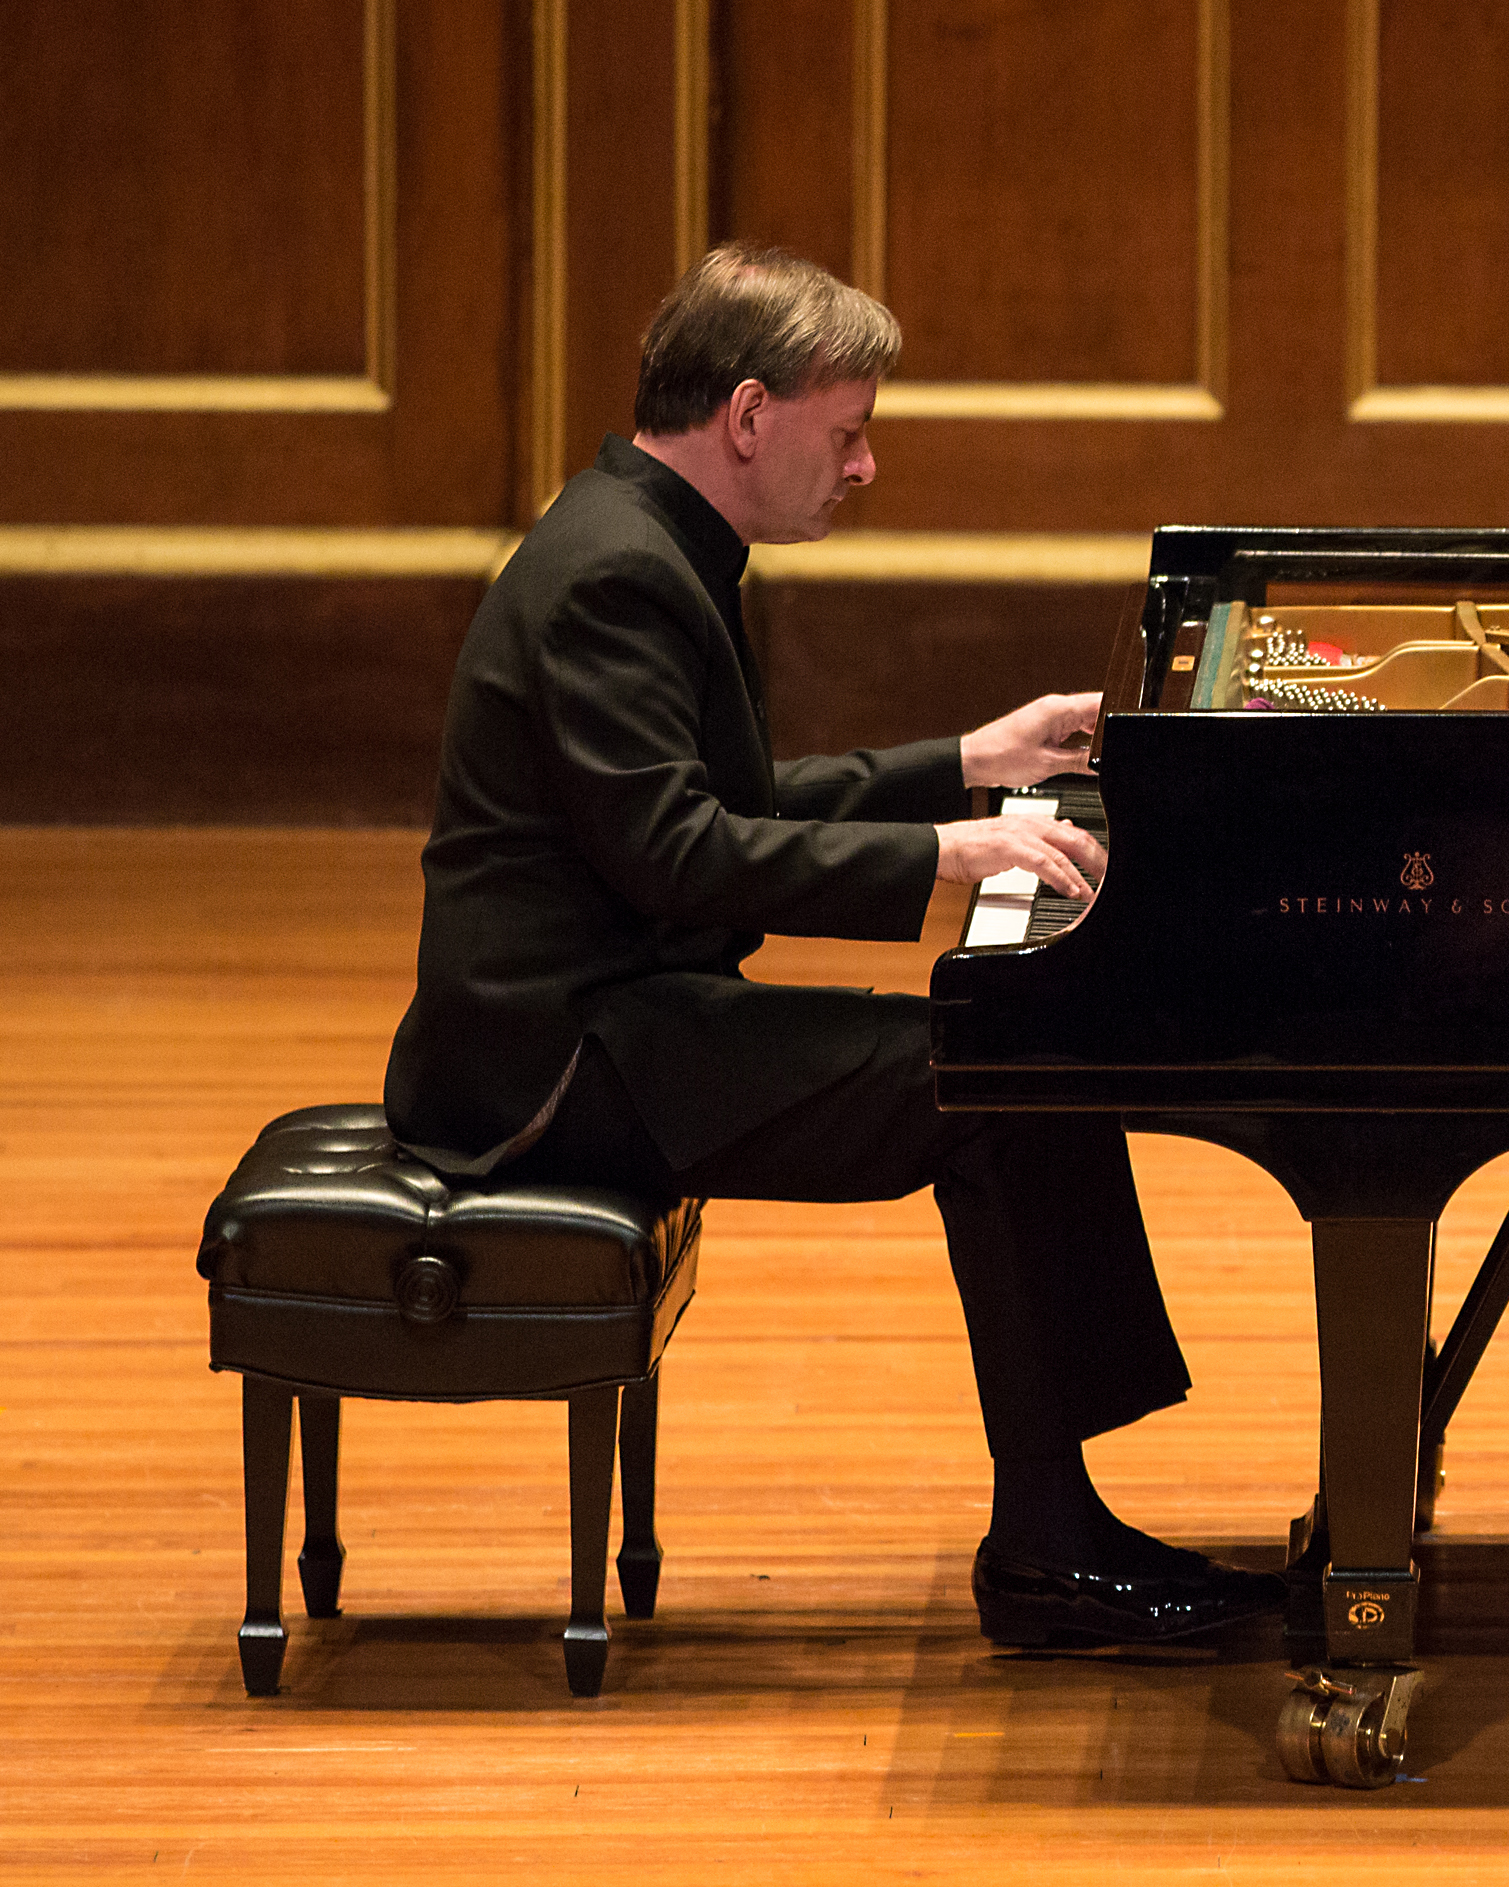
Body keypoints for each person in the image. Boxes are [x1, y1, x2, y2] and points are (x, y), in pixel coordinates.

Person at [383, 243, 1279, 1647]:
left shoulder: (649, 538)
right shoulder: (617, 576)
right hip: (559, 1067)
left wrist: (962, 766)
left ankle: (1058, 1523)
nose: (863, 469)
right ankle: (1052, 1547)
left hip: (618, 1014)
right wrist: (945, 856)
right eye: (847, 432)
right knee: (997, 1087)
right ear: (749, 417)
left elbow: (717, 807)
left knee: (1006, 1065)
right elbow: (678, 852)